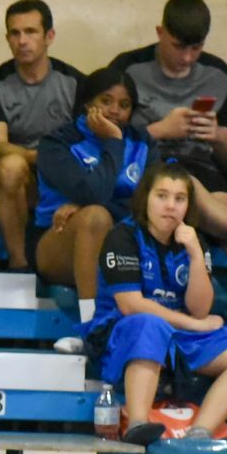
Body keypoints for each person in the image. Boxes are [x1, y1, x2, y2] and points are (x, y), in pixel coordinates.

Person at [84, 162, 227, 445]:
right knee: (148, 323)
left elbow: (201, 308)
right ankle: (137, 424)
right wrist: (193, 324)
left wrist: (194, 254)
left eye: (179, 199)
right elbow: (131, 305)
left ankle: (201, 431)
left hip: (177, 334)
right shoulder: (122, 237)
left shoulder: (193, 240)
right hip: (120, 332)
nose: (171, 206)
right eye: (162, 196)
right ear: (145, 199)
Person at [108, 0, 227, 284]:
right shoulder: (128, 68)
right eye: (178, 47)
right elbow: (110, 138)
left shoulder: (217, 74)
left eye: (196, 48)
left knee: (225, 208)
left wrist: (217, 136)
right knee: (188, 188)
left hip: (202, 161)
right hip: (149, 164)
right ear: (160, 33)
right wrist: (161, 130)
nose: (186, 58)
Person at [34, 67, 154, 333]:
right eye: (106, 101)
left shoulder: (142, 142)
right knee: (94, 217)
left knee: (185, 187)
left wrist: (83, 205)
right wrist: (113, 142)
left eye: (124, 105)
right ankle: (92, 326)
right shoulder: (57, 144)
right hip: (60, 242)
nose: (114, 111)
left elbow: (152, 202)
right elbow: (93, 194)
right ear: (88, 102)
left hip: (123, 242)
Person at [0, 0, 84, 271]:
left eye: (31, 32)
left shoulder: (74, 82)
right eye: (15, 33)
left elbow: (85, 144)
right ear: (7, 38)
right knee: (10, 166)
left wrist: (53, 162)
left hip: (64, 173)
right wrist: (41, 157)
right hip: (21, 174)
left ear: (49, 36)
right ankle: (19, 263)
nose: (22, 41)